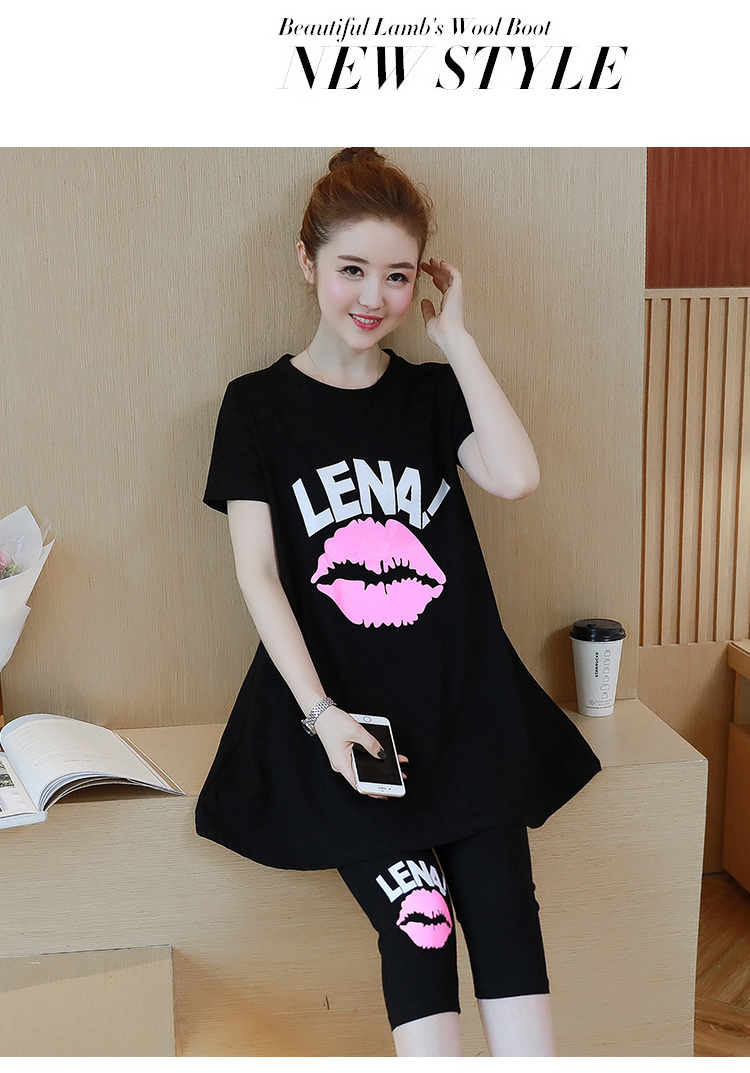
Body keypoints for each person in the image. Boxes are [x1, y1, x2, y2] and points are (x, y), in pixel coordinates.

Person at [196, 147, 602, 1057]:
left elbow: (516, 476)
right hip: (352, 725)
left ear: (421, 280)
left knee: (503, 910)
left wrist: (456, 339)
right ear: (306, 261)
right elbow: (259, 574)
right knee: (421, 921)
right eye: (351, 268)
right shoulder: (255, 407)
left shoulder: (429, 395)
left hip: (466, 713)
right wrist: (320, 714)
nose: (373, 296)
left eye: (397, 274)